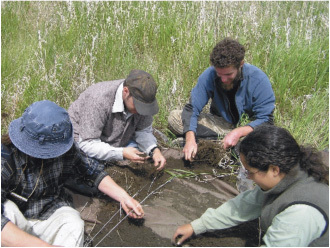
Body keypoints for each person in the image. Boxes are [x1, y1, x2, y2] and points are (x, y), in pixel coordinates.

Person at [1, 100, 144, 247]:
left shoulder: (65, 149)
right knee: (8, 210)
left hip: (48, 213)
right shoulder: (4, 158)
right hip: (13, 225)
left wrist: (124, 197)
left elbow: (92, 170)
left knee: (73, 223)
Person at [172, 125, 329, 247]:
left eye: (250, 172)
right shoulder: (290, 173)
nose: (248, 177)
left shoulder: (299, 215)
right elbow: (245, 205)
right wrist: (197, 226)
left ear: (274, 169)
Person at [168, 38, 275, 161]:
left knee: (255, 145)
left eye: (229, 74)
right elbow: (192, 108)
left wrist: (237, 132)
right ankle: (211, 145)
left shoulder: (259, 80)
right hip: (221, 124)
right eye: (219, 74)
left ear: (241, 64)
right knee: (174, 118)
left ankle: (212, 145)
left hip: (247, 129)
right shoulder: (209, 75)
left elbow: (266, 120)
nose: (223, 79)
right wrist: (190, 139)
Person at [68, 69, 166, 170]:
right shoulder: (98, 100)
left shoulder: (143, 100)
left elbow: (143, 130)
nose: (141, 111)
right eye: (138, 106)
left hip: (120, 140)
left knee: (144, 155)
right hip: (84, 142)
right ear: (126, 91)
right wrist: (121, 153)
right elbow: (86, 144)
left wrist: (154, 150)